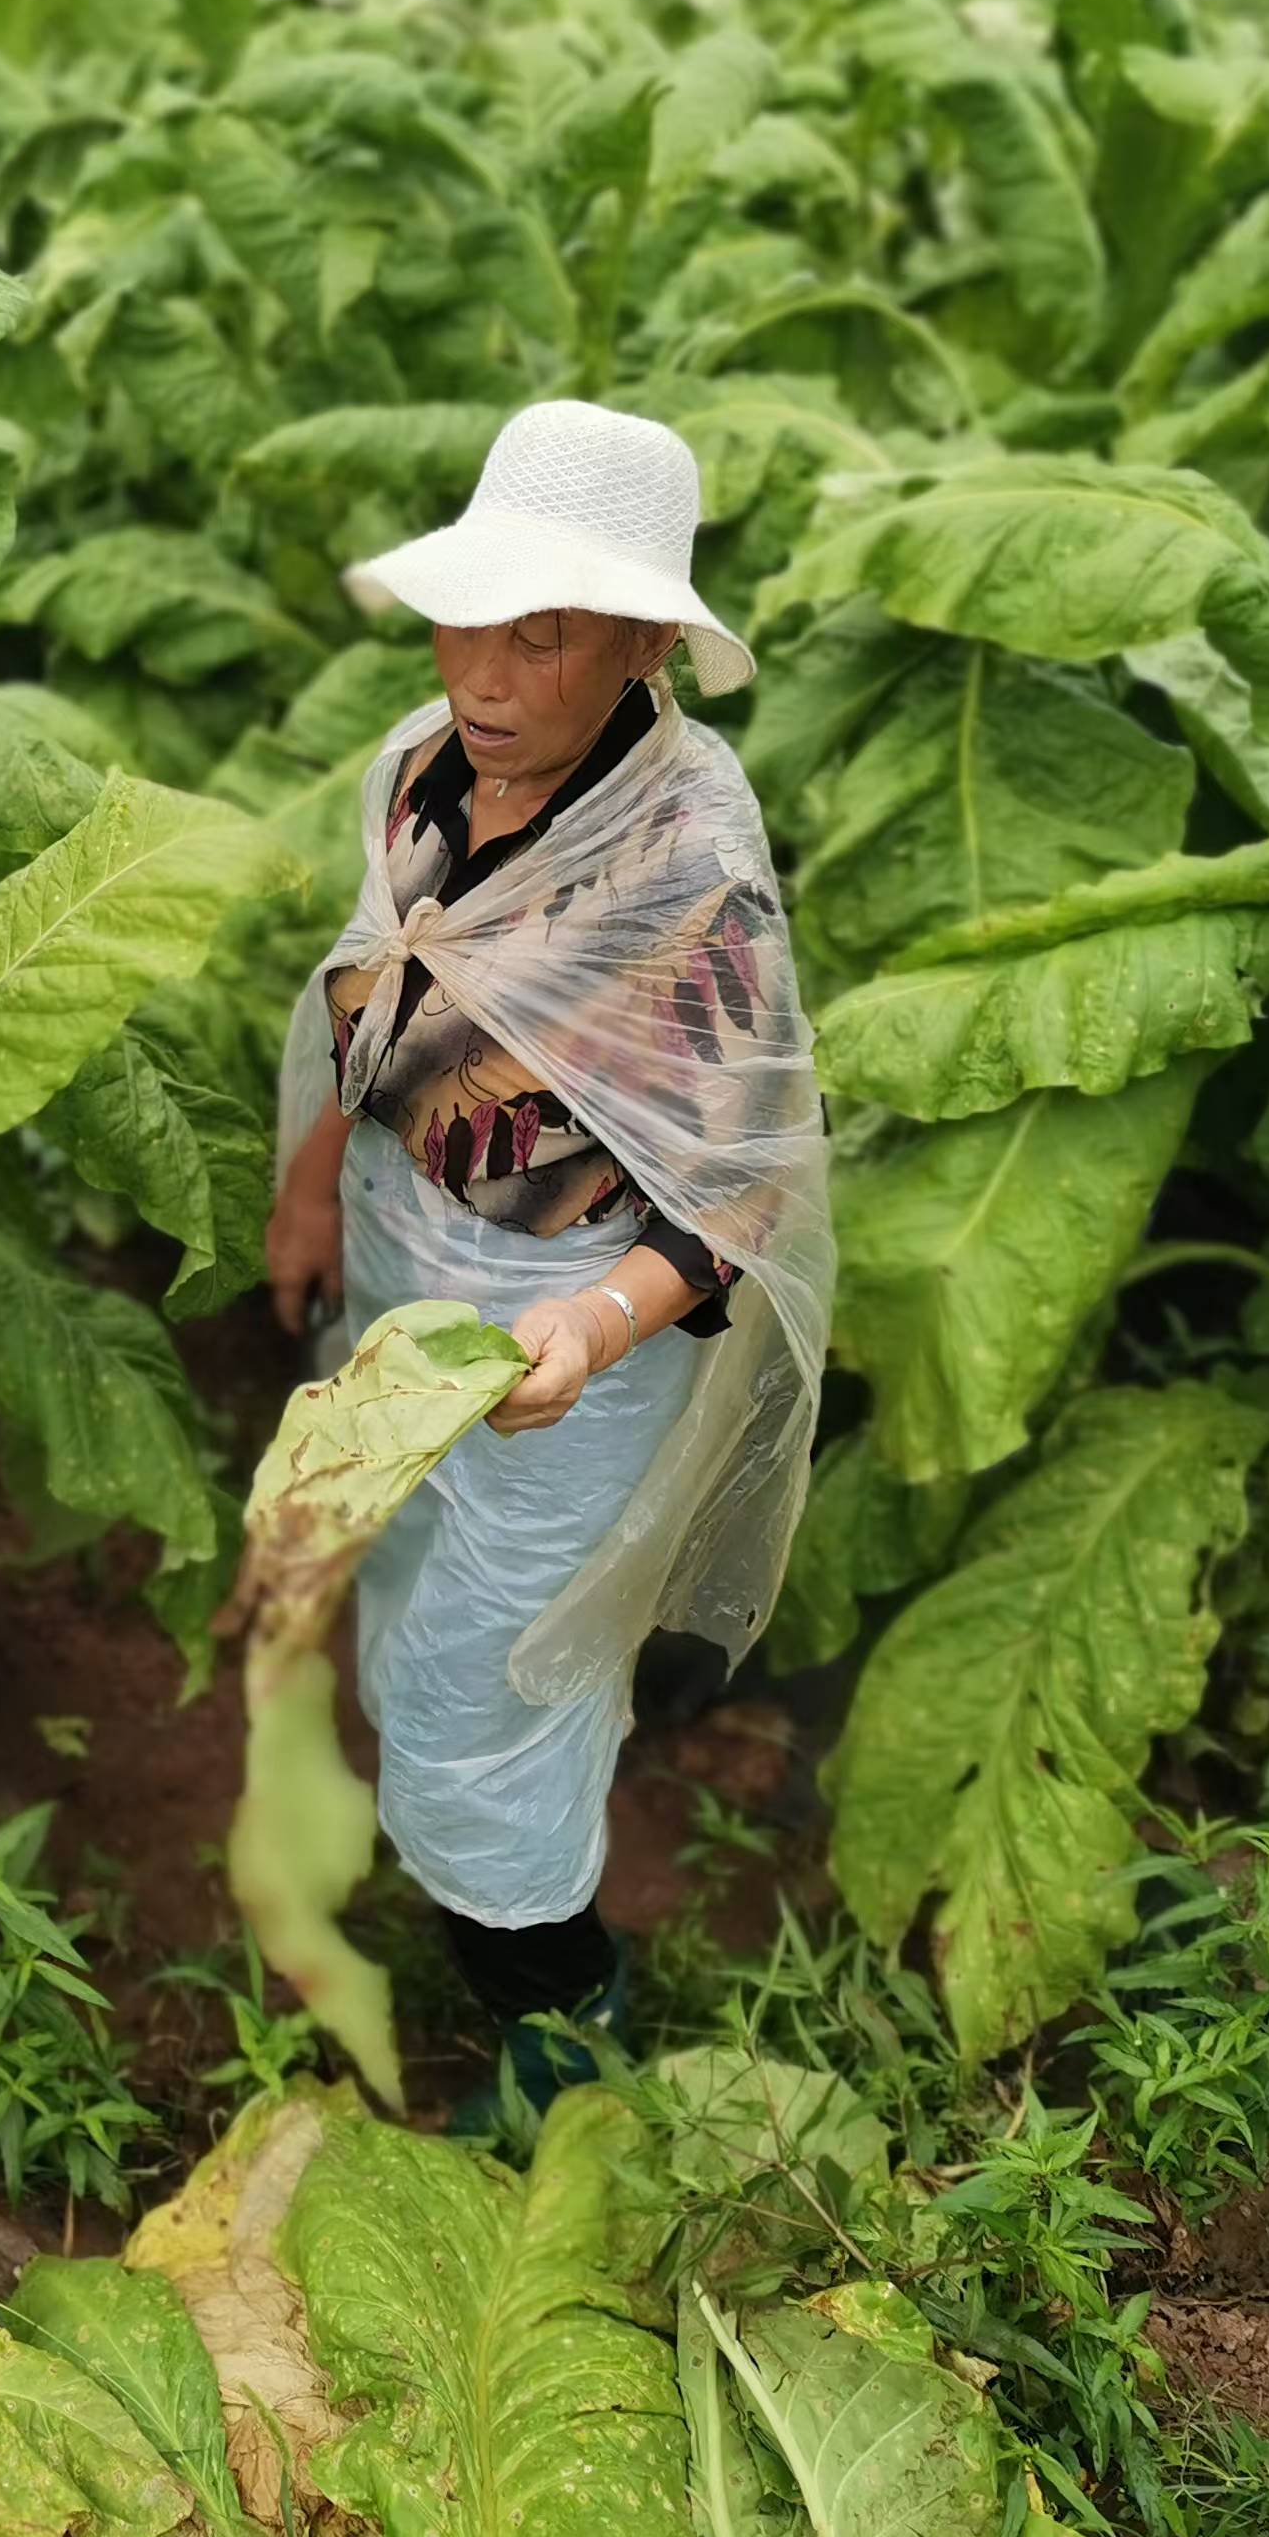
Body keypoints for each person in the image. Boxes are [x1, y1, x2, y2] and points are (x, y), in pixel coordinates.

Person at [264, 399, 833, 2132]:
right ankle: (483, 1879)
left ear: (647, 645)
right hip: (404, 1243)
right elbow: (383, 986)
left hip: (566, 1311)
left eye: (548, 629)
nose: (488, 671)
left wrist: (586, 1334)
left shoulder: (686, 870)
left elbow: (735, 1192)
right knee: (407, 1565)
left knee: (487, 1680)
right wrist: (310, 1194)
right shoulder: (420, 767)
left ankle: (556, 2012)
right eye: (472, 614)